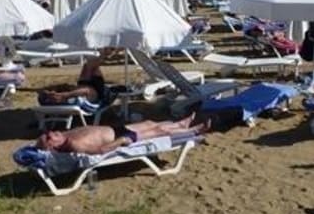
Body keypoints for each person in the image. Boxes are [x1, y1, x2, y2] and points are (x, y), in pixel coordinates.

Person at [36, 113, 209, 155]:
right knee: (159, 131)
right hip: (118, 137)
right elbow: (101, 150)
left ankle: (180, 124)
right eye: (49, 138)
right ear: (53, 146)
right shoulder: (74, 144)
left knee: (150, 123)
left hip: (114, 129)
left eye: (47, 133)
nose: (51, 133)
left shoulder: (65, 135)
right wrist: (121, 141)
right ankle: (193, 131)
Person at [37, 52, 112, 106]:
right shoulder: (64, 99)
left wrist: (49, 91)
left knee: (88, 66)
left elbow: (64, 87)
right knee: (92, 66)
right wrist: (65, 95)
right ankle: (106, 51)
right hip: (93, 95)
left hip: (82, 88)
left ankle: (105, 51)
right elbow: (86, 91)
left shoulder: (48, 99)